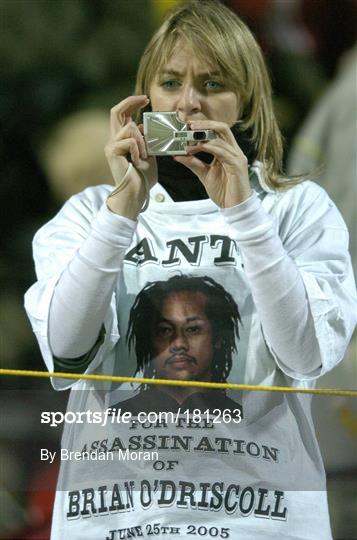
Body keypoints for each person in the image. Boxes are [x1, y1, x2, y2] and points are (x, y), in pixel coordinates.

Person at [24, 1, 356, 538]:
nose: (188, 104)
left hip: (259, 522)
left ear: (246, 101)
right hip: (114, 519)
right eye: (171, 83)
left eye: (213, 83)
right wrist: (122, 212)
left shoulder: (297, 209)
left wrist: (244, 214)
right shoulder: (89, 214)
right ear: (143, 99)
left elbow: (305, 354)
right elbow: (66, 349)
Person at [113, 274, 242, 414]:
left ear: (218, 338)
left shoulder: (246, 423)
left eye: (193, 329)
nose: (178, 343)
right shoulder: (115, 418)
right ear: (149, 340)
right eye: (165, 330)